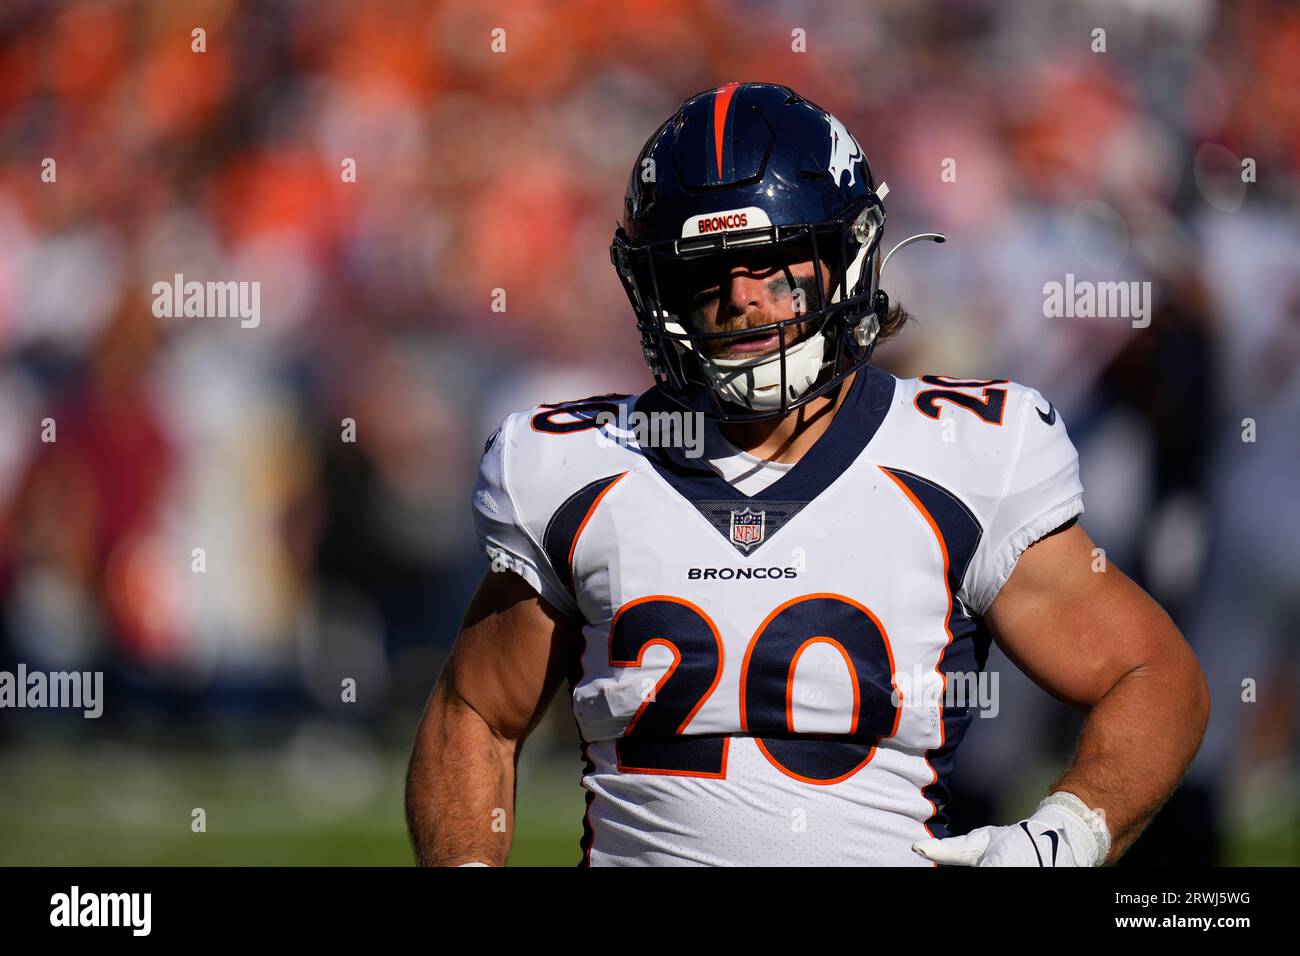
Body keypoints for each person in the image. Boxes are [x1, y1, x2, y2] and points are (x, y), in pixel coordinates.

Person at [405, 82, 1207, 866]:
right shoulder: (579, 467)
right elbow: (475, 711)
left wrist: (1060, 841)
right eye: (705, 272)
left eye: (774, 262)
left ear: (844, 260)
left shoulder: (963, 460)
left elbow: (1152, 676)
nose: (744, 299)